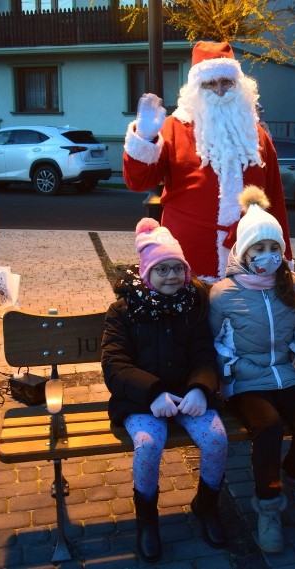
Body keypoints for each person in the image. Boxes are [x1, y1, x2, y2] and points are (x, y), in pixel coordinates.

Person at [101, 218, 228, 563]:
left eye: (177, 268)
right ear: (146, 272)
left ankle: (206, 505)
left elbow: (204, 352)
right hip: (142, 399)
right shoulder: (124, 311)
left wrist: (201, 388)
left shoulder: (192, 304)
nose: (172, 276)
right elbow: (114, 365)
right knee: (148, 442)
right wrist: (153, 393)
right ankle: (146, 518)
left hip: (188, 396)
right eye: (163, 269)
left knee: (216, 438)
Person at [208, 186, 295, 553]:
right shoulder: (225, 293)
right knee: (269, 426)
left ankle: (291, 479)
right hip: (245, 383)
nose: (268, 255)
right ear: (243, 252)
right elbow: (215, 345)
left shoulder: (294, 284)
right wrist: (238, 371)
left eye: (274, 248)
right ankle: (269, 507)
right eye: (258, 249)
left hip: (287, 377)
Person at [123, 41, 292, 282]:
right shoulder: (173, 128)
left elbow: (275, 203)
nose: (220, 91)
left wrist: (286, 261)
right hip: (185, 264)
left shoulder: (256, 135)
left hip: (248, 264)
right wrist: (144, 137)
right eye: (210, 83)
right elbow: (137, 182)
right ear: (195, 88)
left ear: (239, 85)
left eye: (227, 82)